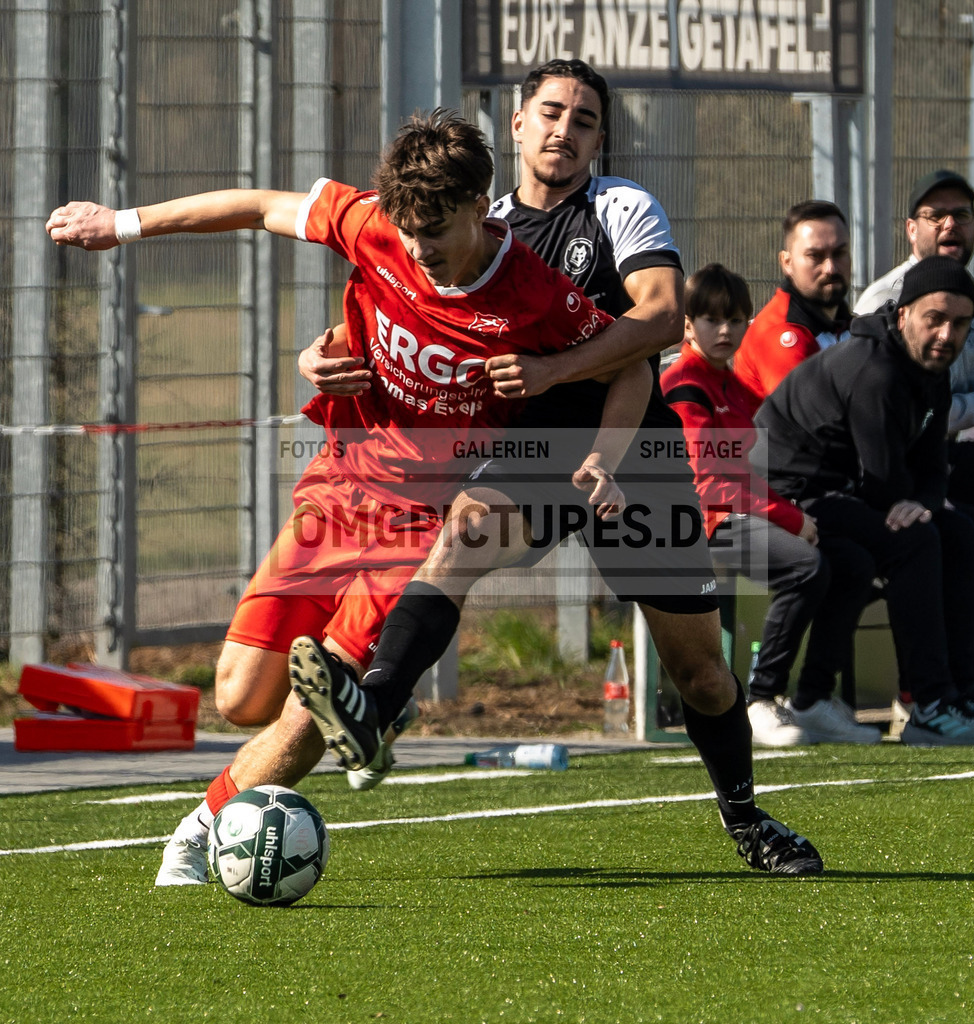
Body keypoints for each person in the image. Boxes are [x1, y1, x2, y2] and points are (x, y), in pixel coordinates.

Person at [46, 109, 649, 884]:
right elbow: (258, 205)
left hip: (419, 521)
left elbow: (630, 363)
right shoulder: (372, 224)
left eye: (435, 229)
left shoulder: (533, 294)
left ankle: (201, 832)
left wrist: (600, 454)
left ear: (479, 206)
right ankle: (377, 716)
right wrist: (121, 224)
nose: (419, 248)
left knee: (320, 694)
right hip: (336, 483)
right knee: (238, 695)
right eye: (406, 230)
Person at [293, 59, 824, 875]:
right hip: (534, 457)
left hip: (635, 463)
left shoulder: (619, 208)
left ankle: (746, 818)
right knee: (460, 541)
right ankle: (374, 709)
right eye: (549, 113)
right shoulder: (475, 221)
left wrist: (554, 381)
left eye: (582, 120)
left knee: (702, 673)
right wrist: (324, 356)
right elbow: (400, 315)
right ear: (515, 125)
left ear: (598, 138)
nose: (563, 130)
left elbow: (653, 326)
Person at [750, 255, 974, 746]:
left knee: (968, 529)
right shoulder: (876, 370)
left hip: (839, 491)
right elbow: (883, 481)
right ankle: (927, 705)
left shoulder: (928, 366)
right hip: (782, 497)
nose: (946, 334)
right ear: (903, 316)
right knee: (916, 541)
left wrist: (929, 500)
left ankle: (964, 693)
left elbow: (933, 466)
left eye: (959, 324)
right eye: (934, 319)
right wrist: (920, 505)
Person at [660, 264, 878, 746]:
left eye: (735, 320)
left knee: (854, 564)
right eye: (712, 319)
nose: (725, 331)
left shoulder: (735, 385)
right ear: (687, 325)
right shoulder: (684, 384)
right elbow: (708, 483)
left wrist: (797, 510)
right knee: (805, 566)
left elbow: (760, 471)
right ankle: (760, 701)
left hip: (742, 512)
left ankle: (814, 700)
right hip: (700, 523)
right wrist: (791, 516)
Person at [854, 168, 974, 727]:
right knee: (964, 530)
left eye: (963, 215)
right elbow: (922, 413)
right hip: (892, 469)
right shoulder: (886, 302)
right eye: (936, 215)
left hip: (951, 458)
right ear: (911, 229)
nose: (952, 224)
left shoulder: (971, 303)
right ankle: (934, 695)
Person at [732, 200, 853, 405]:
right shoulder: (782, 333)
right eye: (815, 256)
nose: (831, 268)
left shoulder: (846, 323)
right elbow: (813, 422)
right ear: (787, 263)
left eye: (839, 253)